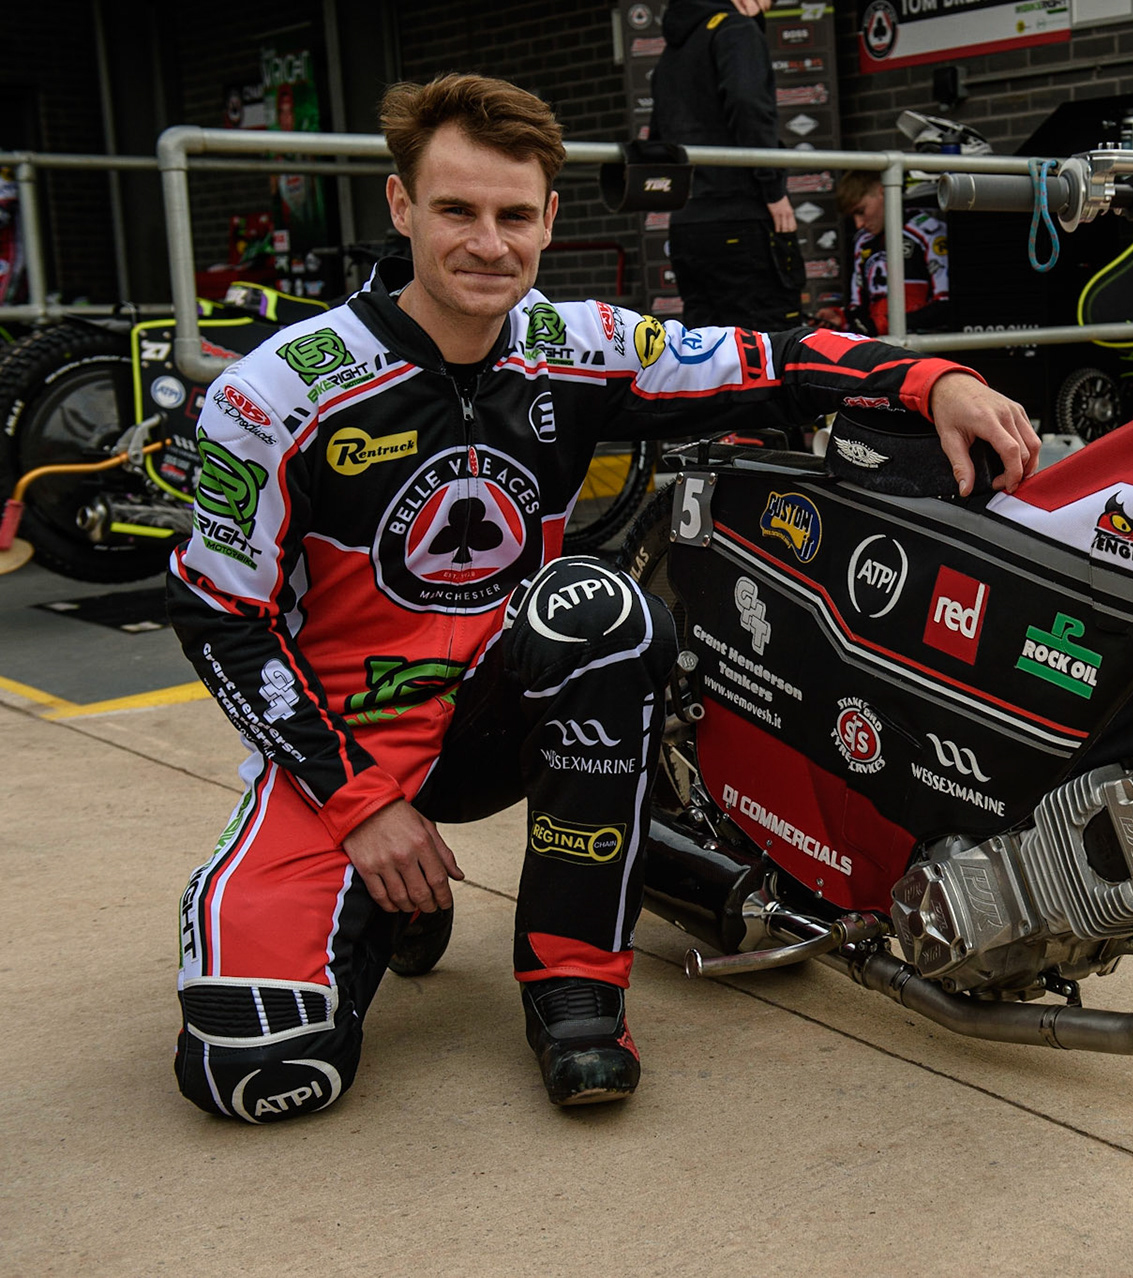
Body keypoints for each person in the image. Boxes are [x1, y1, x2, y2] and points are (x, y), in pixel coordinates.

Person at [167, 72, 1038, 1123]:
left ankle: (574, 986)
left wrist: (932, 381)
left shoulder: (576, 343)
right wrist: (363, 808)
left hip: (506, 701)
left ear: (548, 219)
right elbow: (221, 618)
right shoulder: (272, 394)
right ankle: (390, 896)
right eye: (456, 211)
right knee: (257, 1074)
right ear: (401, 207)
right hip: (351, 741)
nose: (487, 244)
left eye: (513, 216)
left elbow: (773, 360)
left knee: (603, 612)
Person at [649, 0, 801, 329]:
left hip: (688, 224)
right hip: (741, 215)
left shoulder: (671, 54)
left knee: (705, 348)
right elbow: (748, 106)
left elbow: (658, 136)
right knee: (766, 345)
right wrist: (773, 189)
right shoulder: (736, 29)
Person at [839, 169, 952, 336]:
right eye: (853, 216)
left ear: (883, 192)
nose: (858, 224)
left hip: (924, 342)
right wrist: (841, 318)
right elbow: (859, 307)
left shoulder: (927, 232)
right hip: (880, 344)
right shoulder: (863, 241)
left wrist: (884, 325)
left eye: (861, 211)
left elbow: (945, 305)